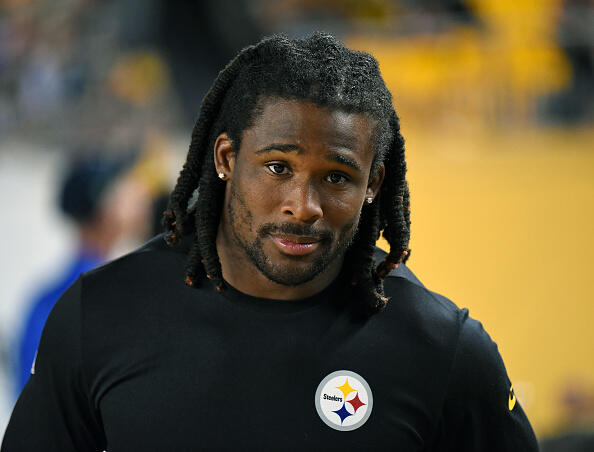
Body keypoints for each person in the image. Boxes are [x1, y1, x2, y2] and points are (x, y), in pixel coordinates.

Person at [1, 33, 538, 451]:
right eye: (278, 167)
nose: (303, 205)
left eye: (337, 177)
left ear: (372, 185)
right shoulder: (101, 316)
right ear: (226, 160)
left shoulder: (444, 351)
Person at [13, 152, 151, 393]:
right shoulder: (111, 294)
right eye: (123, 188)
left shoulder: (45, 298)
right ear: (105, 208)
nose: (139, 193)